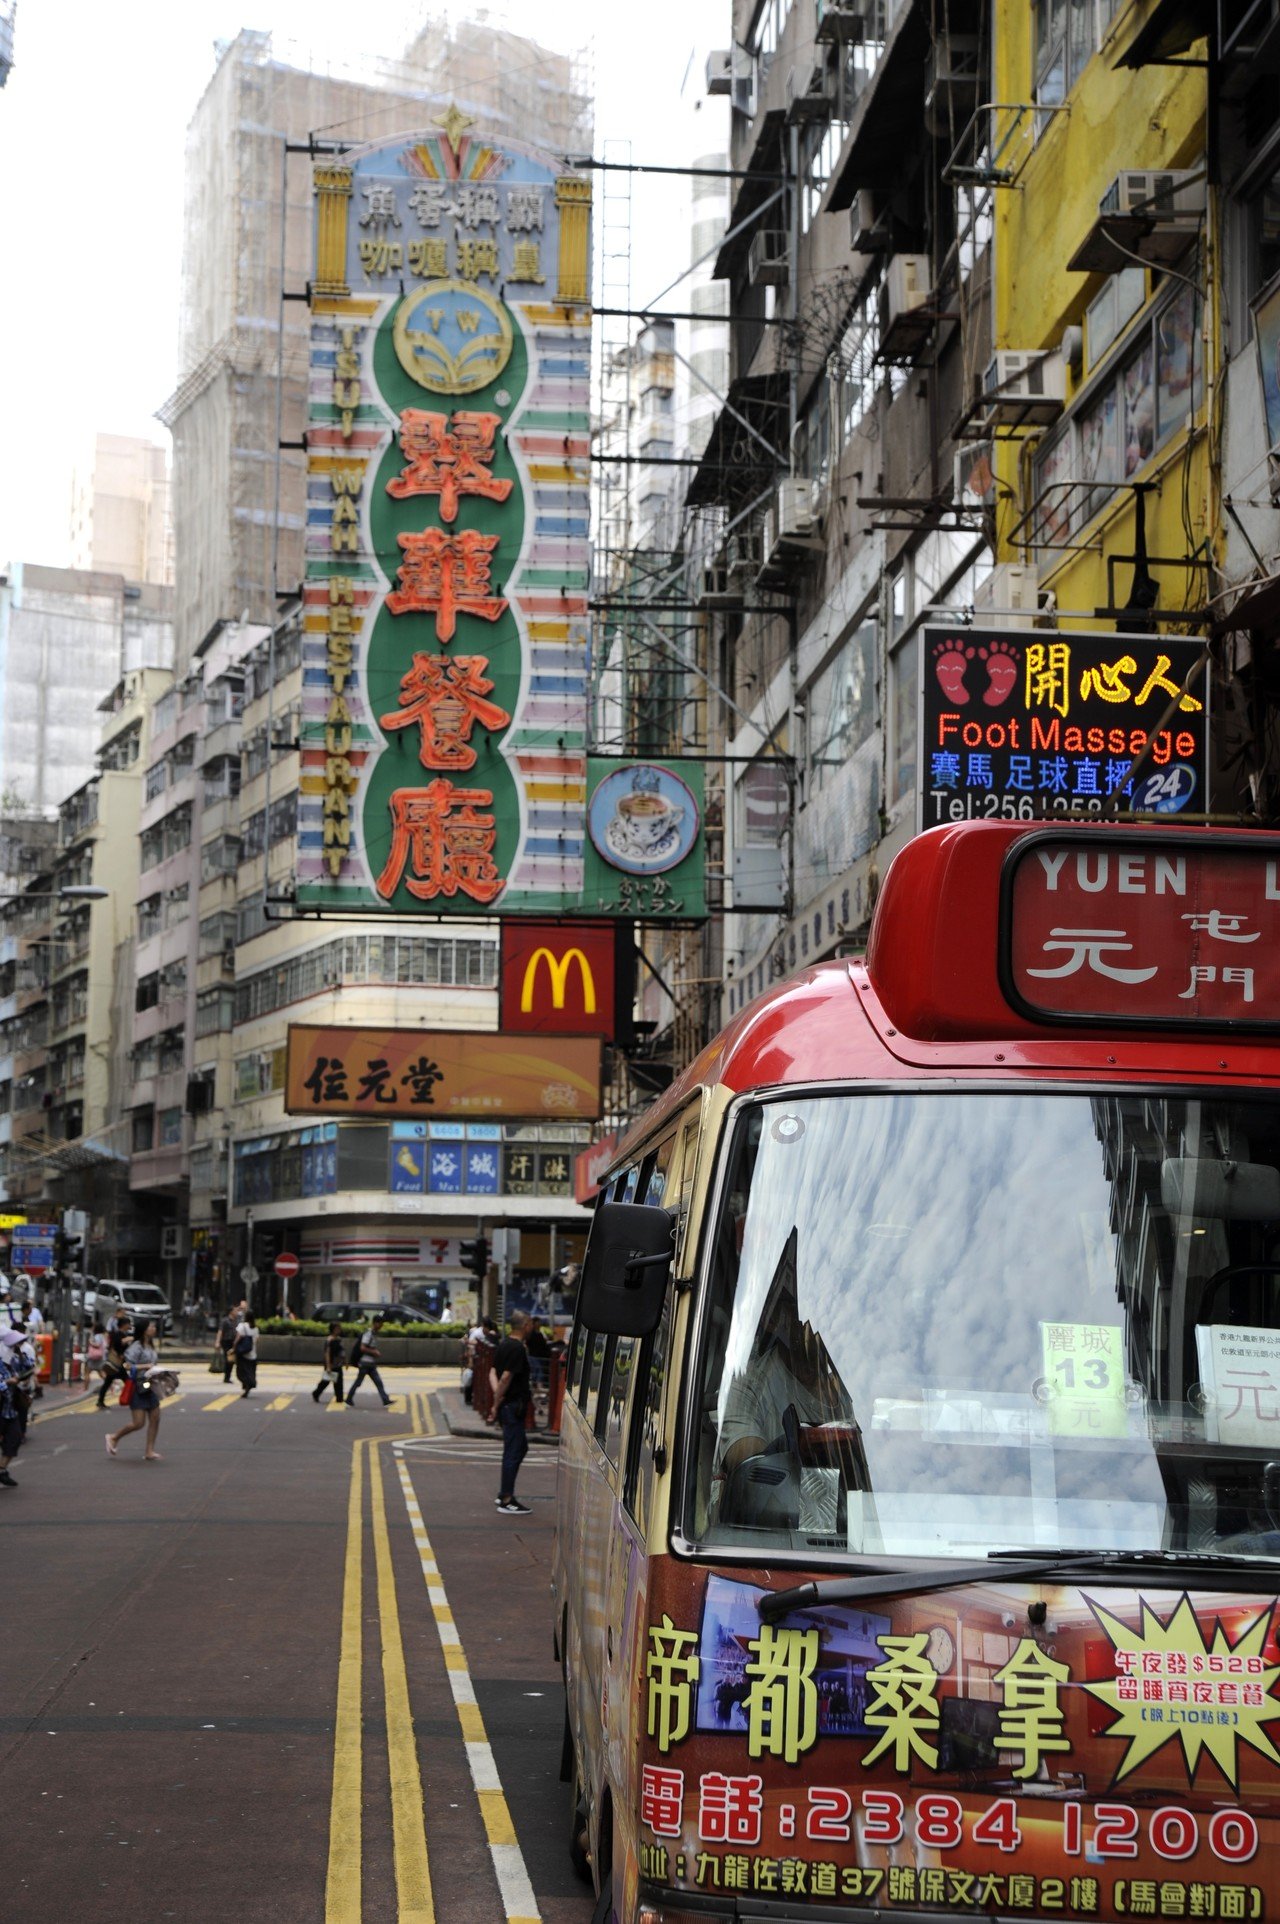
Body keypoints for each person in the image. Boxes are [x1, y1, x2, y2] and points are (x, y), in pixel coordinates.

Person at [486, 1313, 532, 1514]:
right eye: (530, 1323)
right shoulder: (516, 1348)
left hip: (508, 1405)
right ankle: (507, 1498)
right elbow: (505, 1377)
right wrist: (497, 1402)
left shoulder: (504, 1344)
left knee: (519, 1447)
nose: (531, 1327)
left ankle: (504, 1492)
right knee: (514, 1450)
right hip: (513, 1406)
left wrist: (497, 1398)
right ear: (524, 1325)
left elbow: (492, 1373)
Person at [105, 1319, 168, 1461]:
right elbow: (127, 1365)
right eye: (151, 1326)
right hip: (139, 1386)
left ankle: (149, 1451)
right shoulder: (136, 1346)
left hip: (150, 1385)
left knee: (155, 1417)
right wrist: (145, 1366)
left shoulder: (150, 1345)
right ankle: (114, 1437)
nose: (154, 1328)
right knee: (138, 1423)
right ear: (144, 1329)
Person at [0, 1325, 27, 1486]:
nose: (15, 1348)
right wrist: (6, 1383)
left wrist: (21, 1356)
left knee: (15, 1438)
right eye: (12, 1345)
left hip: (9, 1410)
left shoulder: (14, 1361)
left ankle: (2, 1469)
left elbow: (29, 1368)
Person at [347, 1317, 393, 1409]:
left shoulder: (373, 1334)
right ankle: (348, 1399)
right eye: (380, 1324)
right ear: (375, 1323)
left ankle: (385, 1400)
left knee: (378, 1382)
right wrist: (374, 1352)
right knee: (358, 1382)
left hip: (370, 1363)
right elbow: (362, 1348)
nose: (381, 1326)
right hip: (364, 1363)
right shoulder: (368, 1333)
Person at [98, 1312, 132, 1410]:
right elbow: (117, 1344)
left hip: (118, 1363)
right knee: (128, 1381)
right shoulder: (118, 1334)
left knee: (108, 1382)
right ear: (124, 1325)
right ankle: (133, 1399)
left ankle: (100, 1401)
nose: (129, 1326)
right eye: (128, 1324)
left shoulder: (123, 1334)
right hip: (116, 1363)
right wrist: (126, 1341)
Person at [312, 1323, 345, 1405]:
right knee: (326, 1381)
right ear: (333, 1330)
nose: (339, 1330)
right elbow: (327, 1353)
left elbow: (342, 1351)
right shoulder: (329, 1340)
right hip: (331, 1363)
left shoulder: (339, 1339)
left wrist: (345, 1361)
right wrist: (328, 1366)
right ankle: (316, 1393)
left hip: (338, 1363)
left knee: (339, 1381)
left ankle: (339, 1398)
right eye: (337, 1329)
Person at [233, 1309, 258, 1397]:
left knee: (240, 1372)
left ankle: (247, 1384)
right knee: (251, 1372)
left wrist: (234, 1347)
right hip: (252, 1353)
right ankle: (249, 1383)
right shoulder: (255, 1328)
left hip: (243, 1354)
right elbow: (256, 1341)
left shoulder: (242, 1326)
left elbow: (237, 1338)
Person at [84, 1319, 108, 1397]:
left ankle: (85, 1389)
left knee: (87, 1372)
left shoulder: (97, 1336)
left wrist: (90, 1342)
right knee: (101, 1372)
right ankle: (109, 1386)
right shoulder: (103, 1336)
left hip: (93, 1357)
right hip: (101, 1357)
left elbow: (97, 1345)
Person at [216, 1303, 240, 1383]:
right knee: (228, 1359)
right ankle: (226, 1377)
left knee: (231, 1360)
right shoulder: (225, 1320)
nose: (237, 1312)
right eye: (235, 1310)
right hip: (226, 1341)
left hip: (233, 1342)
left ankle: (228, 1377)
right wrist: (218, 1342)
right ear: (231, 1312)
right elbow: (220, 1331)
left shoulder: (236, 1321)